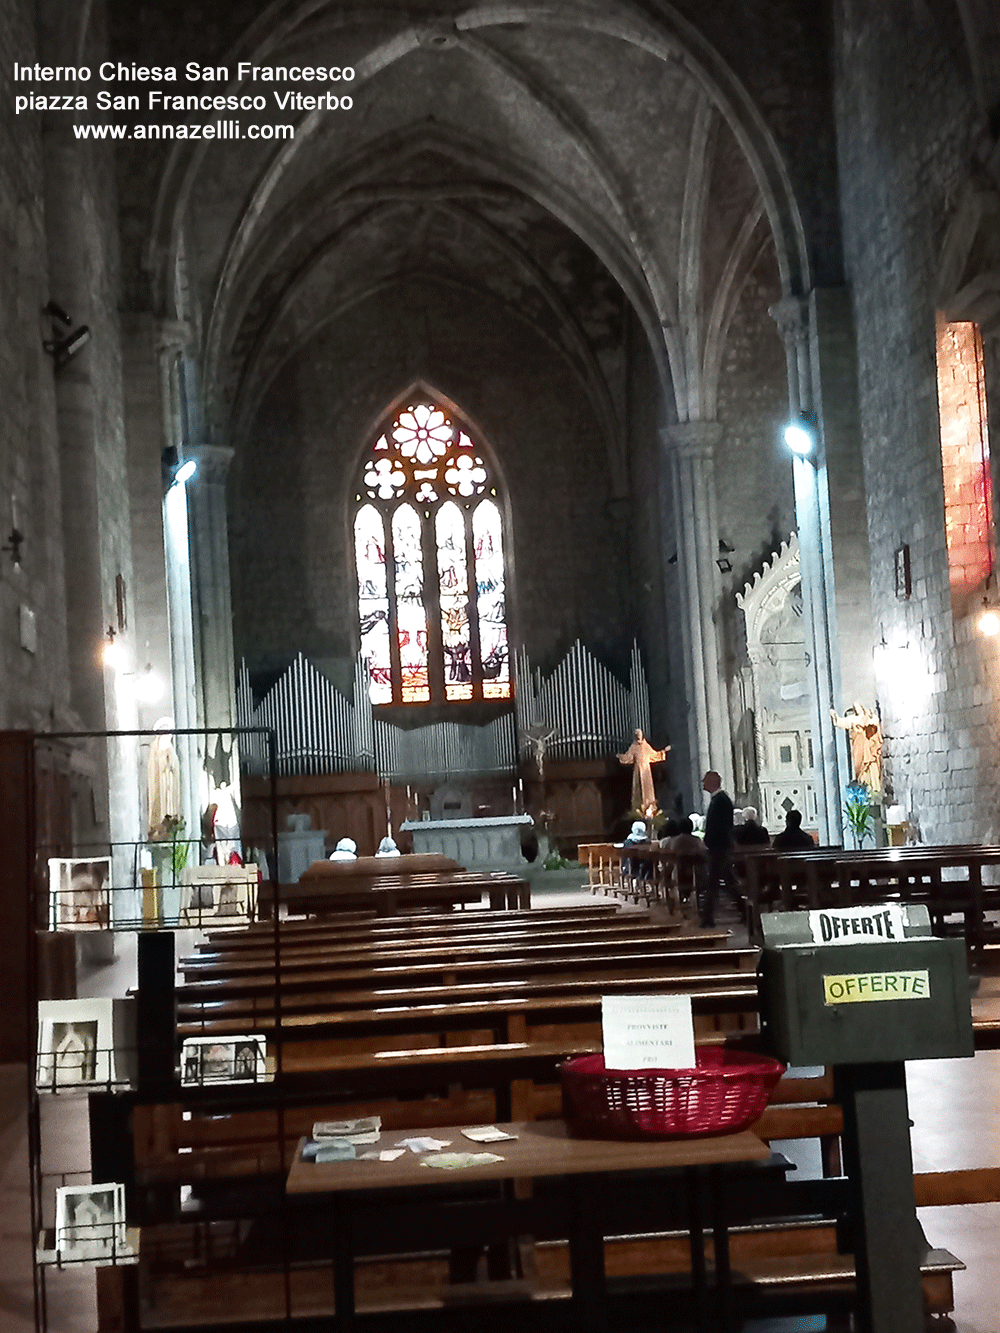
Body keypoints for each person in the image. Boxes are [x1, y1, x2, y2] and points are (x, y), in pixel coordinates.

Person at [699, 770, 740, 928]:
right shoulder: (719, 799)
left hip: (719, 848)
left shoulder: (721, 800)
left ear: (712, 782)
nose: (703, 783)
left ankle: (707, 918)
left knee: (714, 884)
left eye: (705, 781)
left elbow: (720, 827)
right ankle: (745, 910)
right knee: (728, 883)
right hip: (718, 847)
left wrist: (709, 841)